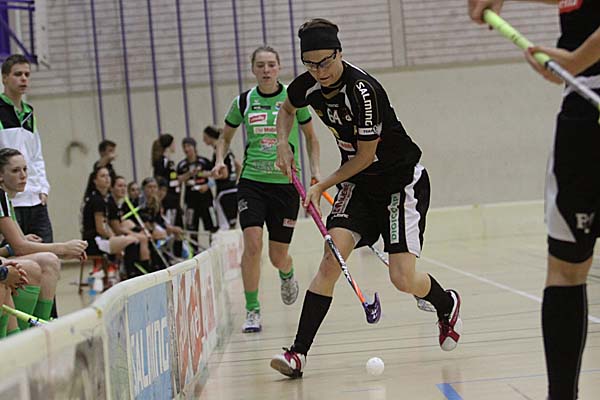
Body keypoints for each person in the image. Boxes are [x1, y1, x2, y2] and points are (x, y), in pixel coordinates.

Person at [270, 19, 462, 378]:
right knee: (331, 260)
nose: (319, 72)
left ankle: (445, 302)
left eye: (325, 62)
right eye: (310, 64)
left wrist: (320, 185)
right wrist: (283, 143)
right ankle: (298, 354)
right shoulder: (307, 84)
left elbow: (364, 157)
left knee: (402, 278)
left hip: (398, 185)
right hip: (358, 187)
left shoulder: (363, 92)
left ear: (339, 53)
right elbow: (286, 110)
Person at [469, 1, 600, 398]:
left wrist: (578, 59)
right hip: (583, 112)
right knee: (566, 268)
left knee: (566, 270)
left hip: (585, 101)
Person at [212, 45, 321, 333]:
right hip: (252, 183)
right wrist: (220, 160)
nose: (266, 70)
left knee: (277, 256)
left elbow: (312, 138)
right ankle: (252, 310)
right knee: (252, 244)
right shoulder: (244, 101)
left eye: (271, 64)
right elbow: (224, 138)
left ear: (279, 67)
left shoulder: (293, 98)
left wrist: (316, 174)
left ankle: (287, 271)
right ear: (253, 69)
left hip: (285, 186)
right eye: (260, 65)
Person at [0, 148, 87, 328]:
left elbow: (19, 244)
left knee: (49, 261)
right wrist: (63, 248)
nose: (23, 175)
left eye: (25, 169)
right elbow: (20, 247)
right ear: (1, 175)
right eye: (15, 171)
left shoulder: (6, 200)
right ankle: (25, 332)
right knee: (35, 266)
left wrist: (63, 252)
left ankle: (41, 324)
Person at [0, 55, 53, 243]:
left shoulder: (29, 112)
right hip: (9, 201)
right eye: (18, 74)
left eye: (27, 74)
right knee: (16, 256)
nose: (24, 79)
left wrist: (43, 187)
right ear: (4, 78)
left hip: (36, 201)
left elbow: (36, 155)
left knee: (48, 254)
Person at [81, 166, 149, 278]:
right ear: (95, 181)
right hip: (94, 242)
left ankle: (135, 272)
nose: (107, 178)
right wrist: (114, 238)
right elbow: (100, 229)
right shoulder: (97, 200)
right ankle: (131, 274)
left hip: (100, 239)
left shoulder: (103, 199)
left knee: (131, 239)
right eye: (103, 176)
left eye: (108, 176)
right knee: (133, 240)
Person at [176, 137, 217, 234]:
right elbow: (178, 181)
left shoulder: (204, 162)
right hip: (190, 201)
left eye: (189, 146)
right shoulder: (181, 165)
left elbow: (215, 176)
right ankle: (194, 245)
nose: (186, 149)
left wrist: (207, 185)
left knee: (213, 228)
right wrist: (189, 174)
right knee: (191, 230)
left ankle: (214, 244)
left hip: (206, 199)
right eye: (184, 147)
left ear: (194, 147)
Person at [203, 126, 240, 230]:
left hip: (224, 192)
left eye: (205, 137)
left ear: (210, 137)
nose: (203, 140)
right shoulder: (228, 150)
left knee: (225, 227)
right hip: (233, 189)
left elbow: (224, 174)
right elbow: (238, 166)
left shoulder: (219, 152)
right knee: (232, 225)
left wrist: (207, 175)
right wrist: (235, 181)